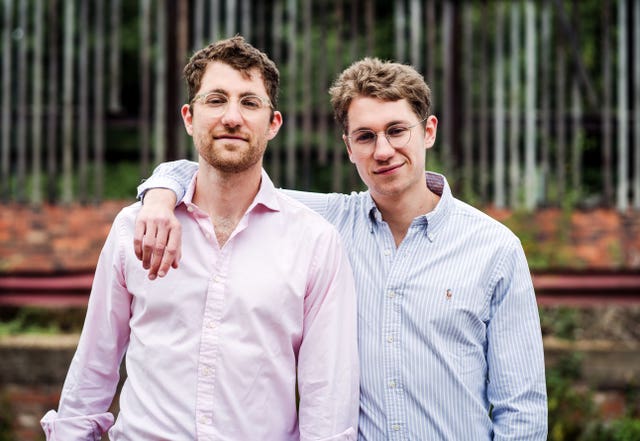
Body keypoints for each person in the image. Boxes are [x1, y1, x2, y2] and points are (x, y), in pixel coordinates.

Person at [135, 57, 548, 440]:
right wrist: (161, 191)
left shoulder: (495, 250)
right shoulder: (323, 226)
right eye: (365, 136)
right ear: (350, 148)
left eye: (397, 130)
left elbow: (522, 412)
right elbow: (224, 174)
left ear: (429, 130)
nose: (383, 150)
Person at [40, 36, 359, 441]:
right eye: (216, 100)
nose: (232, 117)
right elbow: (93, 367)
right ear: (189, 118)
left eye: (249, 102)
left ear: (272, 123)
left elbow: (326, 397)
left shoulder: (314, 243)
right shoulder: (133, 228)